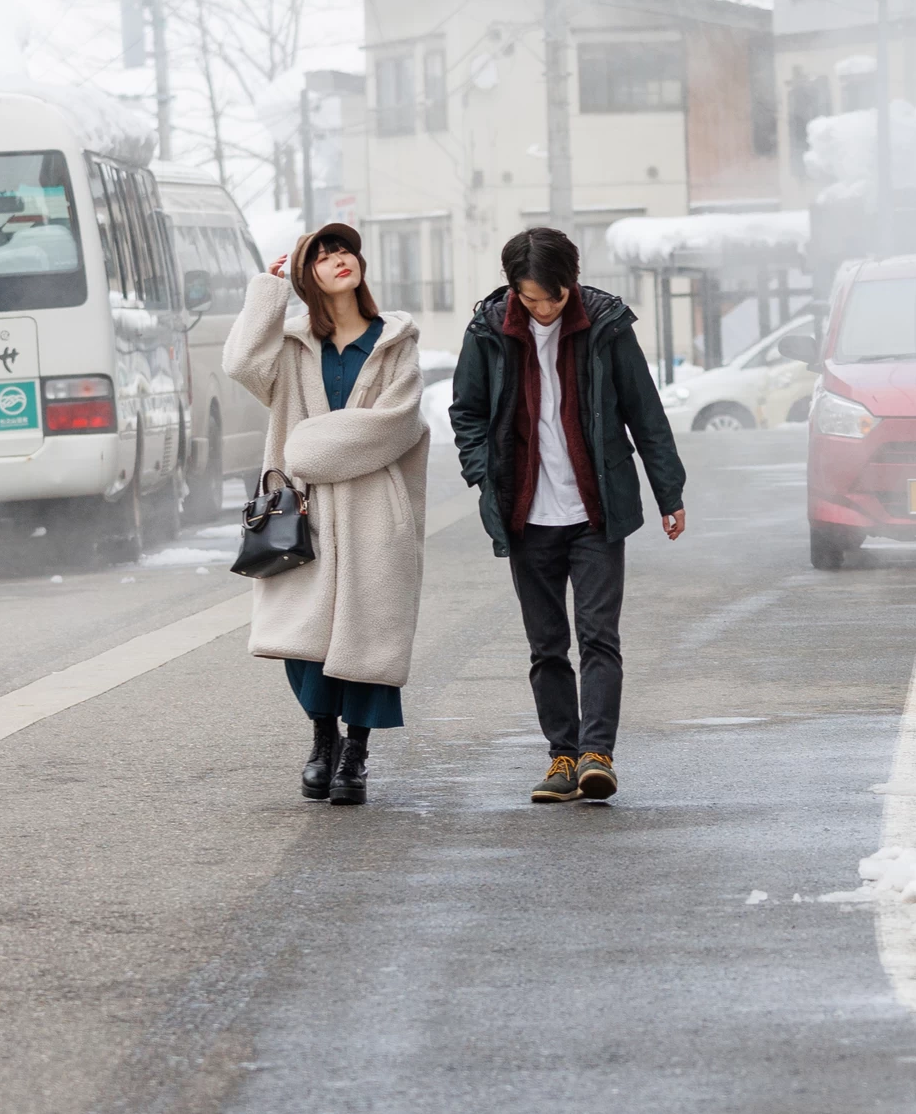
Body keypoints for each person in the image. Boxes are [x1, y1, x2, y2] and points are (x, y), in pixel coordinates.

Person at [448, 226, 688, 804]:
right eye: (532, 299)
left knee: (600, 636)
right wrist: (486, 473)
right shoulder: (488, 330)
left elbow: (643, 411)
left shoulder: (603, 326)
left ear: (570, 284)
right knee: (547, 644)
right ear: (514, 290)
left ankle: (596, 756)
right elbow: (467, 412)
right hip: (525, 514)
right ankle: (562, 756)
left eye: (553, 296)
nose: (545, 308)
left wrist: (668, 493)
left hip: (594, 511)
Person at [223, 223, 430, 806]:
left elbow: (398, 422)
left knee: (368, 635)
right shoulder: (288, 347)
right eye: (323, 255)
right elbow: (241, 365)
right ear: (303, 277)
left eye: (345, 250)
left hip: (373, 511)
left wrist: (309, 447)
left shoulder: (395, 341)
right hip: (303, 513)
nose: (341, 259)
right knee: (304, 636)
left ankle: (356, 754)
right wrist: (266, 294)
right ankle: (323, 741)